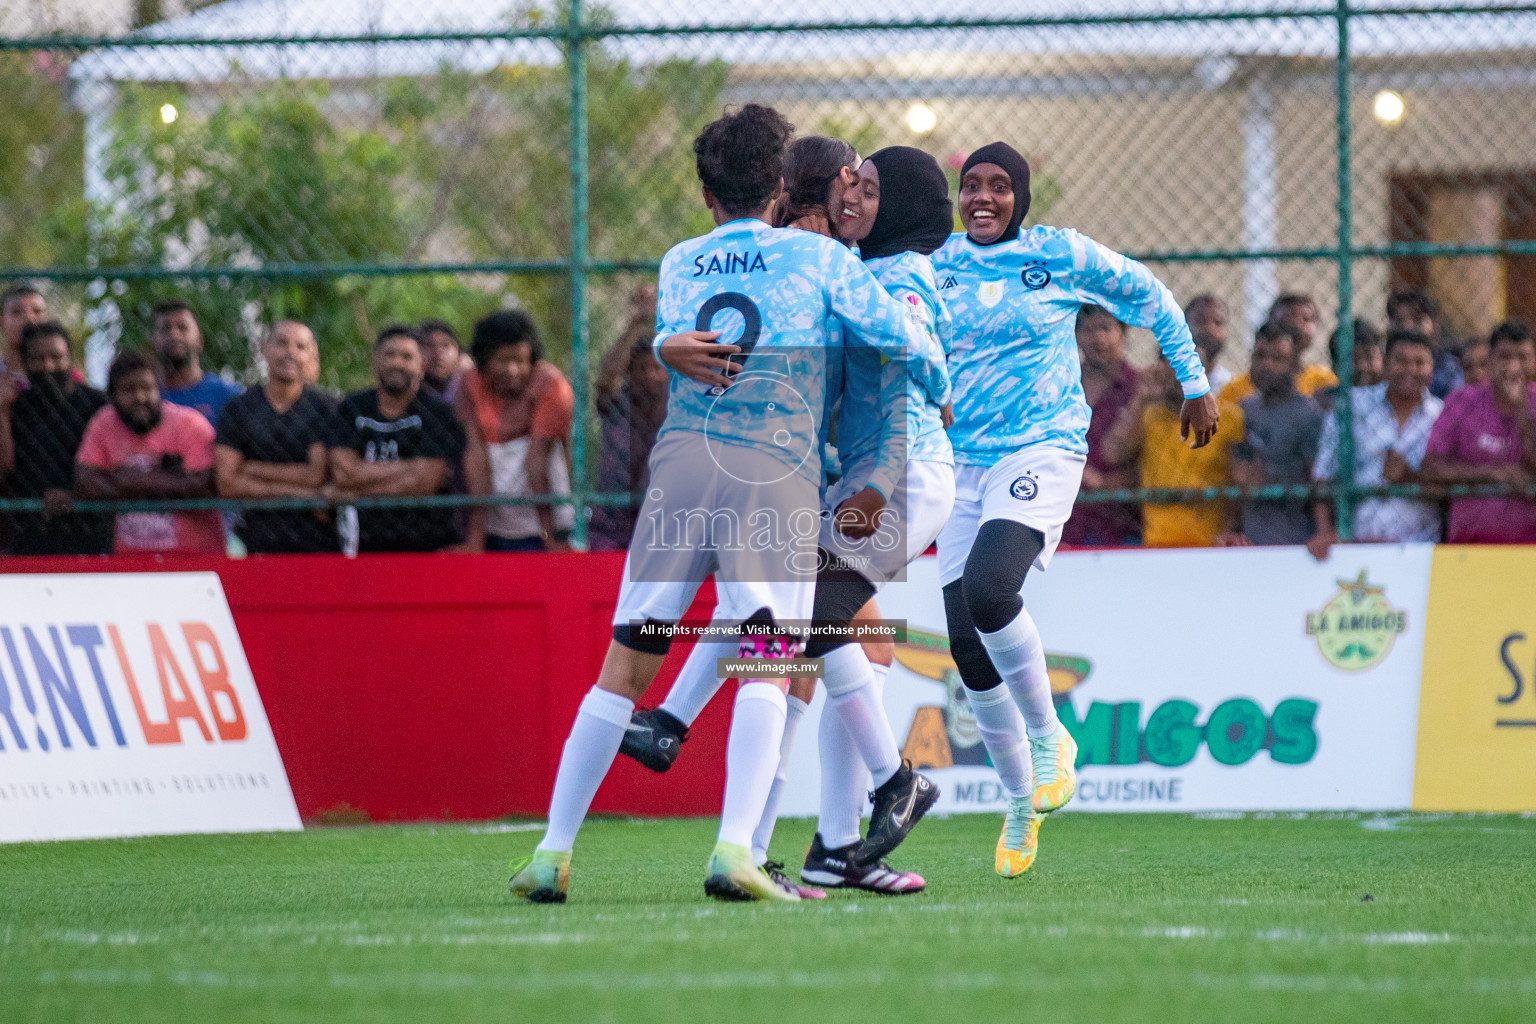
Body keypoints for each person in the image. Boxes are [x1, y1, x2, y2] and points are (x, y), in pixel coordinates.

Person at [510, 105, 949, 906]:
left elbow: (675, 343)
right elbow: (901, 335)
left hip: (679, 467)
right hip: (769, 471)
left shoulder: (681, 261)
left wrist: (656, 345)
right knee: (769, 659)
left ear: (706, 193)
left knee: (621, 667)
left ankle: (551, 852)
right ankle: (733, 851)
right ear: (779, 185)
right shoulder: (818, 261)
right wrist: (939, 381)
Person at [623, 142, 956, 896]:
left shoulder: (893, 275)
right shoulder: (837, 268)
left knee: (788, 628)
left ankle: (690, 731)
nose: (856, 203)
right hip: (845, 479)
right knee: (836, 651)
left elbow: (909, 378)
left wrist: (878, 474)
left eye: (869, 189)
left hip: (893, 480)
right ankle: (833, 845)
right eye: (848, 187)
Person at [930, 140, 1215, 878]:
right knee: (966, 646)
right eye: (971, 187)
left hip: (1042, 448)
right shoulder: (939, 262)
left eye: (998, 186)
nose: (983, 198)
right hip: (963, 461)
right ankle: (1023, 801)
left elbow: (1151, 296)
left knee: (994, 589)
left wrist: (1194, 380)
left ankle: (1052, 737)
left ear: (1021, 197)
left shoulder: (1060, 255)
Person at [327, 324, 466, 553]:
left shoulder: (438, 413)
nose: (397, 363)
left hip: (427, 543)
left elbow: (425, 482)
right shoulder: (353, 406)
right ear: (375, 361)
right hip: (362, 543)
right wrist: (408, 470)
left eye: (406, 356)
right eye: (389, 355)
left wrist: (357, 489)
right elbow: (343, 473)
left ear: (421, 365)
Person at [1308, 329, 1443, 560]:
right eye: (1401, 361)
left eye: (1419, 362)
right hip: (1356, 544)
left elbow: (1448, 486)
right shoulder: (1351, 407)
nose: (1410, 369)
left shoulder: (1442, 415)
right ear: (1386, 364)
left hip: (1421, 546)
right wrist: (1324, 531)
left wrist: (1408, 478)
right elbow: (1323, 473)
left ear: (1432, 369)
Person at [75, 350, 223, 555]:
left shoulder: (190, 424)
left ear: (159, 390)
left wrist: (137, 482)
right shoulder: (103, 423)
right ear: (112, 396)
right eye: (129, 390)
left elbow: (204, 484)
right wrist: (168, 482)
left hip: (194, 558)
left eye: (147, 388)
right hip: (130, 563)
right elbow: (87, 482)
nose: (140, 397)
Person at [1103, 334, 1243, 549]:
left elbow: (1238, 483)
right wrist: (1140, 399)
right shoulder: (1148, 414)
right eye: (1176, 365)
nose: (1185, 374)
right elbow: (1113, 453)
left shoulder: (1229, 418)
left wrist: (1229, 530)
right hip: (1157, 544)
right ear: (1161, 368)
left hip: (1211, 545)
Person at [214, 321, 339, 554]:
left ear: (311, 355)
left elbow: (315, 476)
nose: (290, 353)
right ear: (264, 348)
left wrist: (250, 469)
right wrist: (302, 494)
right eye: (281, 343)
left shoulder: (327, 408)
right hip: (253, 538)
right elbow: (228, 483)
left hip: (319, 540)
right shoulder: (237, 409)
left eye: (301, 347)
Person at [456, 310, 575, 552]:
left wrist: (549, 537)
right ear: (485, 360)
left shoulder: (550, 384)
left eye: (520, 361)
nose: (512, 370)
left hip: (545, 521)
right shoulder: (469, 384)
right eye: (503, 360)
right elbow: (475, 458)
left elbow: (537, 461)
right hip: (495, 523)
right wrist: (476, 538)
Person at [0, 321, 111, 554]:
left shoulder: (99, 405)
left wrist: (75, 495)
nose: (48, 366)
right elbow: (6, 468)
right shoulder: (17, 408)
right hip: (32, 531)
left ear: (69, 358)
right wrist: (2, 411)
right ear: (25, 362)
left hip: (91, 530)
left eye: (56, 357)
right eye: (38, 359)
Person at [1421, 326, 1536, 543]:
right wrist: (1491, 474)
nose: (1513, 367)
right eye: (1504, 357)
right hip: (1469, 546)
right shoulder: (1461, 402)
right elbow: (1430, 468)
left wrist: (1522, 407)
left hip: (1529, 548)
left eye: (1523, 358)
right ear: (1490, 362)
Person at [589, 285, 668, 552]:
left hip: (666, 513)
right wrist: (637, 322)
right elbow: (606, 378)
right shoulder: (618, 404)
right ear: (630, 373)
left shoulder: (678, 405)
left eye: (657, 369)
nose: (650, 376)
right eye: (642, 369)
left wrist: (663, 317)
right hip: (615, 518)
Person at [1231, 322, 1323, 546]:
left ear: (1294, 365)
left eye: (1277, 359)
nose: (1266, 365)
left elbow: (1318, 480)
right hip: (1249, 540)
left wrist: (1268, 479)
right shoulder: (1242, 410)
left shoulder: (1308, 415)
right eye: (1260, 356)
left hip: (1294, 540)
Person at [1063, 304, 1141, 546]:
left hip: (1121, 528)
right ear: (1075, 335)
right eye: (1087, 330)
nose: (1098, 338)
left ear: (1123, 334)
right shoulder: (1062, 387)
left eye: (1106, 328)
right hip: (1064, 523)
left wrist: (1105, 483)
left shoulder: (1140, 388)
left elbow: (1152, 464)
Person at [1219, 294, 1337, 403]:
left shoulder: (1323, 381)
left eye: (1306, 318)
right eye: (1290, 316)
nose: (1297, 324)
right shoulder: (1235, 390)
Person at [151, 301, 241, 425]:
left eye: (182, 327)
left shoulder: (228, 396)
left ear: (199, 339)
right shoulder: (143, 399)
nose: (174, 335)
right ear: (154, 341)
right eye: (166, 328)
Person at [1387, 290, 1463, 399]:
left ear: (1434, 326)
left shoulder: (1449, 370)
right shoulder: (1380, 365)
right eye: (1400, 320)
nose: (1408, 327)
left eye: (1417, 320)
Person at [1185, 295, 1231, 394]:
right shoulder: (1169, 386)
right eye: (1201, 321)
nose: (1210, 329)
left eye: (1218, 323)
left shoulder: (1230, 388)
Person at [1, 283, 48, 380]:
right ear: (1, 323)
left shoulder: (66, 379)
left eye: (37, 311)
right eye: (16, 311)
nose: (29, 319)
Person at [420, 318, 466, 400]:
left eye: (445, 345)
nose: (438, 352)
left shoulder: (471, 392)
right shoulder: (407, 395)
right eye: (429, 345)